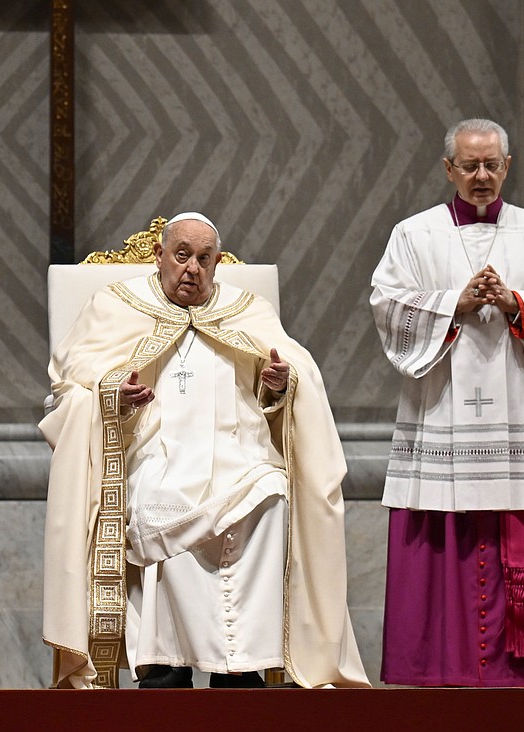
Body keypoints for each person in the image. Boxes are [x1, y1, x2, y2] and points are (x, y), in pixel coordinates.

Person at [41, 212, 369, 689]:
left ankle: (245, 667)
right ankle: (165, 665)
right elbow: (69, 390)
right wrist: (112, 396)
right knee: (161, 501)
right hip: (155, 460)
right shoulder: (114, 307)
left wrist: (278, 387)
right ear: (159, 256)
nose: (192, 268)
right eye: (181, 256)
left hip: (243, 460)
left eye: (204, 259)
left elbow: (292, 384)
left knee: (274, 492)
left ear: (217, 264)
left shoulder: (246, 310)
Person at [369, 118, 524, 686]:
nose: (482, 176)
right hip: (441, 411)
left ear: (508, 166)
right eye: (470, 166)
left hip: (516, 417)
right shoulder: (413, 235)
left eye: (492, 164)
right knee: (442, 541)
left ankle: (519, 680)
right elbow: (388, 305)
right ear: (449, 169)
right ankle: (439, 670)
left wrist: (517, 301)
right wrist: (453, 304)